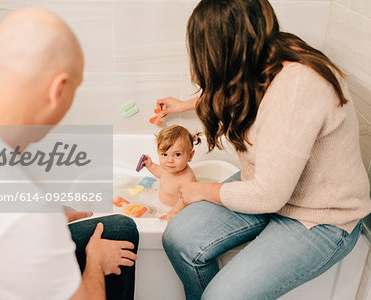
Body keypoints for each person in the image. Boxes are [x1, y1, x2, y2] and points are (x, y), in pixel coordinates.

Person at [158, 0, 371, 299]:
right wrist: (185, 104)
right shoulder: (267, 55)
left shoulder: (298, 87)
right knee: (178, 238)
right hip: (273, 190)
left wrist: (202, 191)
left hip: (321, 216)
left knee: (222, 296)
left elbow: (268, 195)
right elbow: (234, 87)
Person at [0, 8, 138, 300]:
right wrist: (95, 262)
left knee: (119, 227)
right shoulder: (25, 216)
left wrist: (48, 217)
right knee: (110, 243)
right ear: (58, 90)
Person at [143, 125, 200, 222]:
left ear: (190, 155)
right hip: (159, 204)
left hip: (173, 211)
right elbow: (161, 173)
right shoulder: (168, 168)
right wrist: (150, 165)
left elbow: (187, 199)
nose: (170, 160)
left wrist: (174, 211)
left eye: (177, 154)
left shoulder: (187, 179)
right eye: (164, 154)